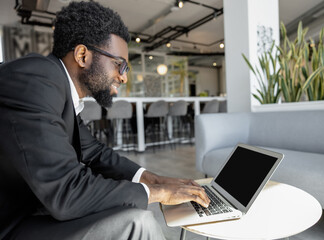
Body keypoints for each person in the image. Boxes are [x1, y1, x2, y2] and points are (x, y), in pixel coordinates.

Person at [0, 1, 210, 239]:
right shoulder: (36, 81)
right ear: (82, 55)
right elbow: (67, 192)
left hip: (34, 209)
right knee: (138, 223)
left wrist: (157, 179)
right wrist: (156, 192)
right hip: (12, 224)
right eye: (119, 64)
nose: (123, 77)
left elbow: (95, 153)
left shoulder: (55, 86)